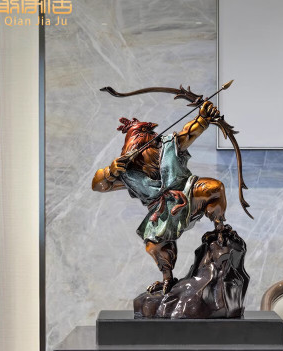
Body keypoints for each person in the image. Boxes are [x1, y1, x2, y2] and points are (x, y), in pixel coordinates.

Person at [92, 101, 228, 294]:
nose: (152, 136)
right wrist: (109, 172)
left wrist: (203, 118)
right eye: (145, 133)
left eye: (150, 134)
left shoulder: (168, 145)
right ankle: (167, 279)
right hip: (161, 210)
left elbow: (189, 133)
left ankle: (220, 229)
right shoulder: (126, 171)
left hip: (188, 192)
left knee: (214, 188)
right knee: (153, 246)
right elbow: (98, 185)